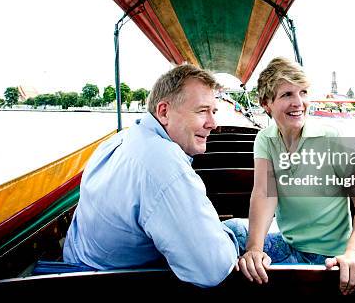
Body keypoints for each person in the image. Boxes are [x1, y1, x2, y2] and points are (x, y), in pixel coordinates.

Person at [63, 64, 238, 287]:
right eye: (202, 111)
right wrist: (226, 231)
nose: (213, 124)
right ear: (164, 112)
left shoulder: (117, 141)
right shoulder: (163, 163)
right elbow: (212, 270)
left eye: (214, 112)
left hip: (76, 265)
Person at [225, 57, 355, 295]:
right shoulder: (265, 139)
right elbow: (264, 194)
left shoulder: (331, 138)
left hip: (327, 260)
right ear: (266, 103)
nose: (299, 103)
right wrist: (255, 249)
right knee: (227, 231)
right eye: (287, 94)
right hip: (288, 245)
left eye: (303, 92)